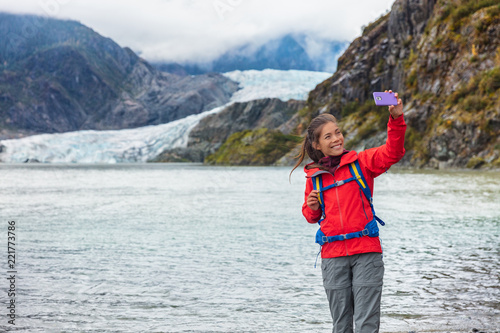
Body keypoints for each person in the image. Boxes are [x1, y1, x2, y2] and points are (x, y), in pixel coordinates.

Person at [290, 90, 406, 333]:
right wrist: (311, 207)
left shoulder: (362, 162)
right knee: (341, 326)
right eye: (328, 136)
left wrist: (396, 118)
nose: (336, 139)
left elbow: (392, 152)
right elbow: (311, 216)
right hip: (332, 257)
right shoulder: (314, 177)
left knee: (366, 324)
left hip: (366, 253)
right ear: (316, 144)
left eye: (338, 133)